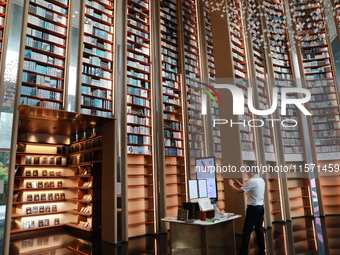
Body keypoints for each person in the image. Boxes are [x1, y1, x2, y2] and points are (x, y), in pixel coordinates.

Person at [229, 170, 266, 255]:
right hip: (260, 207)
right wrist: (240, 184)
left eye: (248, 171)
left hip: (253, 209)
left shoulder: (252, 181)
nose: (247, 173)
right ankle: (262, 249)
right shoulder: (260, 180)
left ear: (251, 171)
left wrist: (231, 185)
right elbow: (250, 189)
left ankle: (243, 251)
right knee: (259, 229)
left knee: (247, 230)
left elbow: (238, 191)